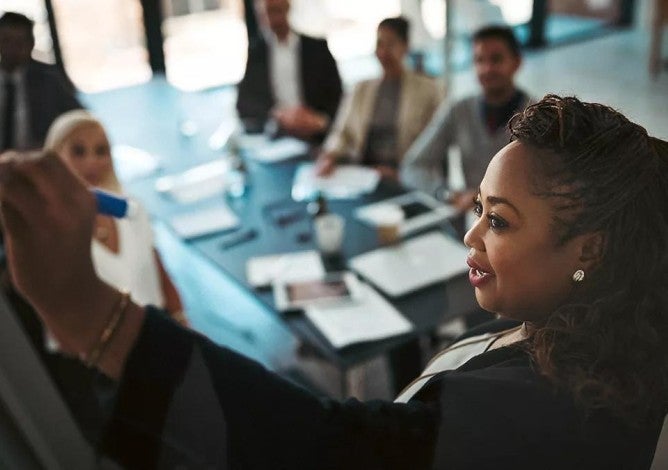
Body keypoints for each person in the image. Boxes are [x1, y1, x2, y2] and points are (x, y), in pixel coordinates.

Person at [1, 95, 667, 468]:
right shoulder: (590, 331)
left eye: (500, 221)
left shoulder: (550, 416)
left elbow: (327, 451)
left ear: (590, 248)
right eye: (478, 211)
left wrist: (85, 309)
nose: (470, 237)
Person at [43, 110, 187, 327]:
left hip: (156, 330)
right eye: (78, 151)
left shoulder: (131, 208)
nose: (92, 161)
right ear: (55, 157)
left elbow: (157, 267)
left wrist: (181, 320)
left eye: (101, 151)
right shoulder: (50, 231)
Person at [400, 25, 532, 213]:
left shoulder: (539, 117)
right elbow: (413, 166)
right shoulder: (459, 110)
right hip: (471, 221)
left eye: (496, 59)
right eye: (479, 60)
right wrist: (446, 194)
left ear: (517, 62)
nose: (487, 69)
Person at [315, 17, 442, 181]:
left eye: (390, 44)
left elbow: (433, 146)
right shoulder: (361, 88)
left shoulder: (428, 90)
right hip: (363, 174)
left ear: (406, 46)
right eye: (379, 44)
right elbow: (342, 133)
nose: (383, 52)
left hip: (404, 176)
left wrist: (402, 174)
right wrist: (329, 156)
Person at [235, 0, 343, 141]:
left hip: (316, 134)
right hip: (278, 136)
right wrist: (277, 115)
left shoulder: (317, 48)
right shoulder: (257, 54)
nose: (271, 19)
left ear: (287, 9)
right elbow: (245, 102)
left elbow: (338, 96)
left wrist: (320, 120)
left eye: (275, 11)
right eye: (265, 14)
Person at [0, 11, 83, 152]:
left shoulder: (48, 78)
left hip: (39, 161)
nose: (12, 49)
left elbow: (78, 118)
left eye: (19, 42)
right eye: (7, 41)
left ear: (31, 44)